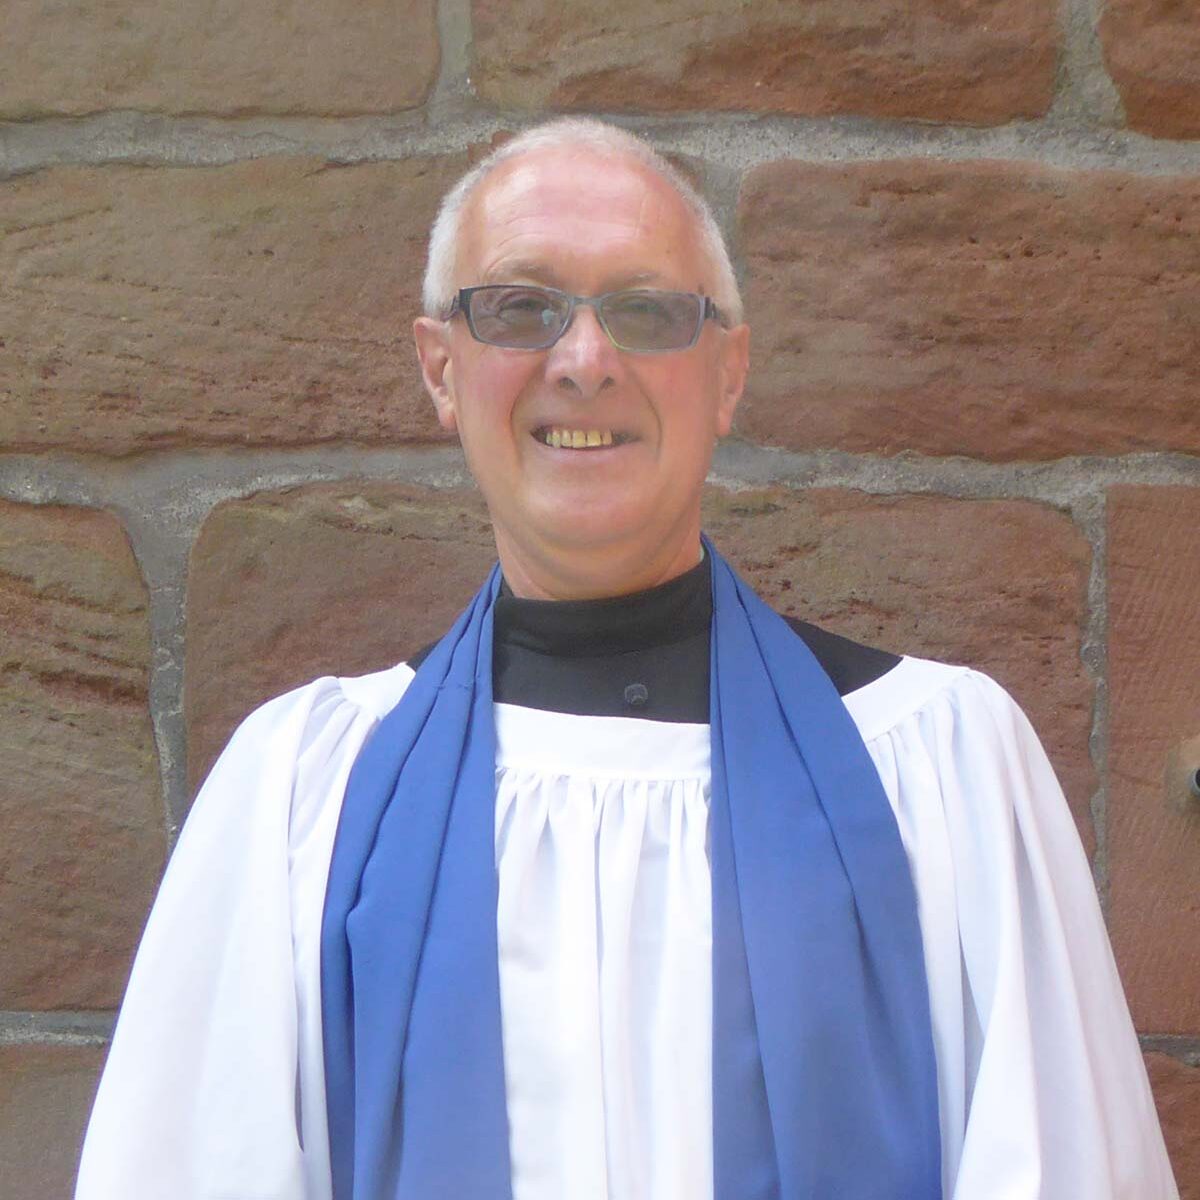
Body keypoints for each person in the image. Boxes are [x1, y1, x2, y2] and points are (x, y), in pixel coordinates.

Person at [75, 118, 1178, 1200]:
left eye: (647, 310)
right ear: (441, 368)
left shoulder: (940, 768)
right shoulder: (302, 800)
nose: (585, 360)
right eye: (521, 308)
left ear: (730, 374)